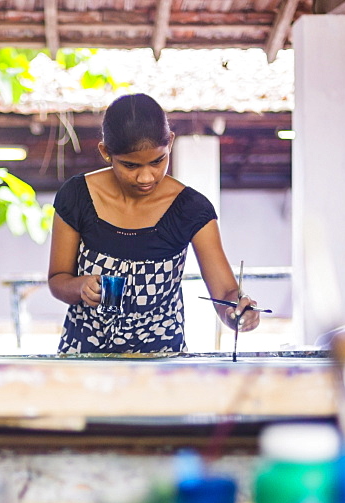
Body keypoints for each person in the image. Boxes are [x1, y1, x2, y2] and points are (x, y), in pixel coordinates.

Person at [47, 93, 260, 353]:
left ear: (169, 142)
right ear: (105, 152)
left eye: (158, 161)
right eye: (130, 165)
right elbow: (58, 279)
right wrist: (80, 286)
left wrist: (237, 312)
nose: (146, 177)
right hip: (84, 358)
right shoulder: (77, 196)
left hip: (161, 364)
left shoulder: (191, 209)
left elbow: (226, 291)